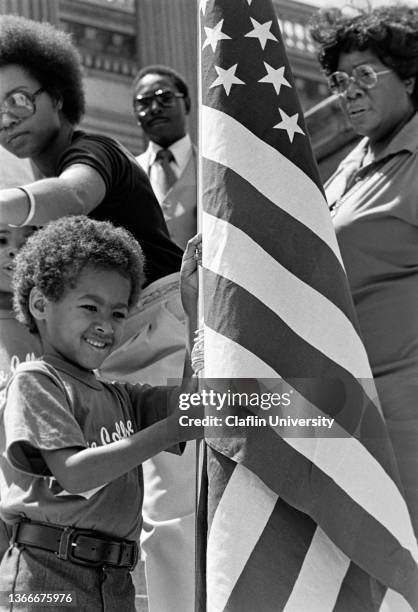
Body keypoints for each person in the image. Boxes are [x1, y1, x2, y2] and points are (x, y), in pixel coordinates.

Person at [0, 215, 201, 612]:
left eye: (118, 314)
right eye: (90, 307)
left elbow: (193, 410)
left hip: (114, 583)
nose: (105, 325)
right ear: (41, 304)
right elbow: (76, 473)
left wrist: (195, 310)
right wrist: (167, 431)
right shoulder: (35, 380)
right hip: (46, 579)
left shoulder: (121, 396)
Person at [310, 4, 418, 538]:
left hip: (407, 425)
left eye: (365, 75)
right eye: (339, 79)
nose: (348, 90)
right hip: (344, 413)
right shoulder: (347, 166)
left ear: (411, 76)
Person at [0, 223, 41, 563]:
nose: (14, 251)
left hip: (42, 516)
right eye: (1, 240)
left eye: (28, 240)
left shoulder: (53, 325)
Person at [133, 65, 197, 251]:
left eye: (165, 98)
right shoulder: (128, 172)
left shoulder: (212, 169)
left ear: (186, 103)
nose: (154, 108)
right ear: (136, 115)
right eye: (144, 102)